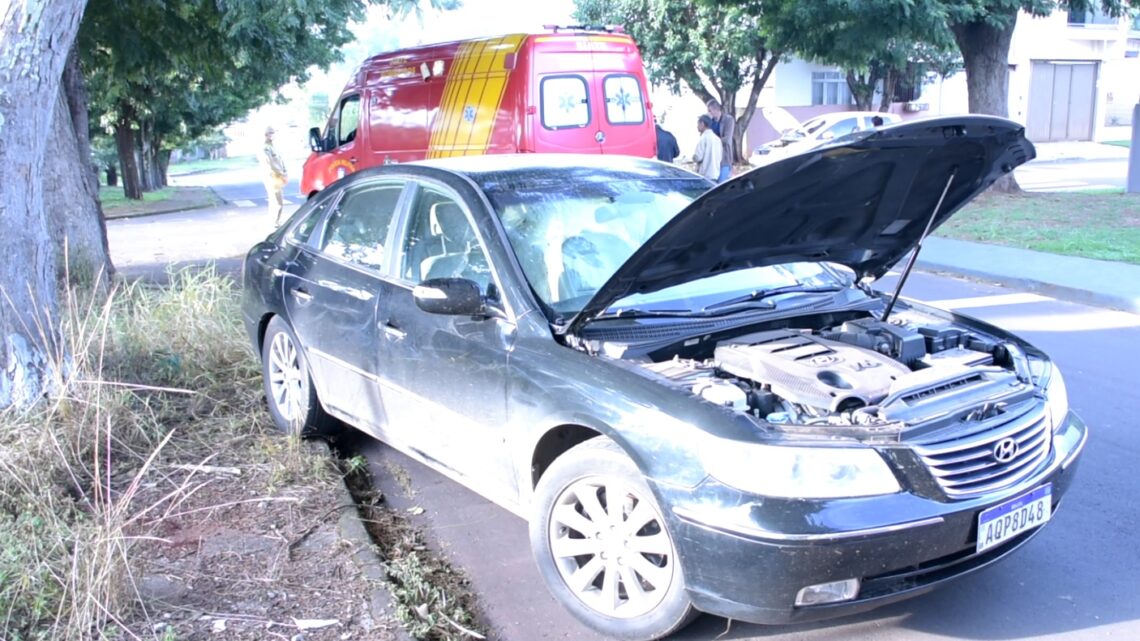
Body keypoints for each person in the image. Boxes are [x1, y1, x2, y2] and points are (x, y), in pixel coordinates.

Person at [260, 126, 288, 226]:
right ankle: (275, 221)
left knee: (276, 200)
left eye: (273, 132)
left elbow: (279, 161)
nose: (273, 135)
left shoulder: (272, 147)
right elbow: (270, 163)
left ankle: (275, 220)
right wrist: (281, 174)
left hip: (277, 176)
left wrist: (284, 172)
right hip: (273, 177)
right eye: (271, 133)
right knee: (277, 201)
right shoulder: (265, 148)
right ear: (266, 135)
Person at [706, 99, 735, 183]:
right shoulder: (710, 122)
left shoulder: (728, 120)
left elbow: (727, 139)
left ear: (716, 109)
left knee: (721, 182)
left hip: (724, 157)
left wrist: (713, 141)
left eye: (710, 110)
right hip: (713, 157)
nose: (708, 113)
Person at [693, 115, 722, 182]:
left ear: (702, 124)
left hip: (705, 175)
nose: (697, 126)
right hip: (715, 174)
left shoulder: (703, 138)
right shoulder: (717, 139)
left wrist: (693, 157)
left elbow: (698, 157)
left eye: (698, 124)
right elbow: (720, 157)